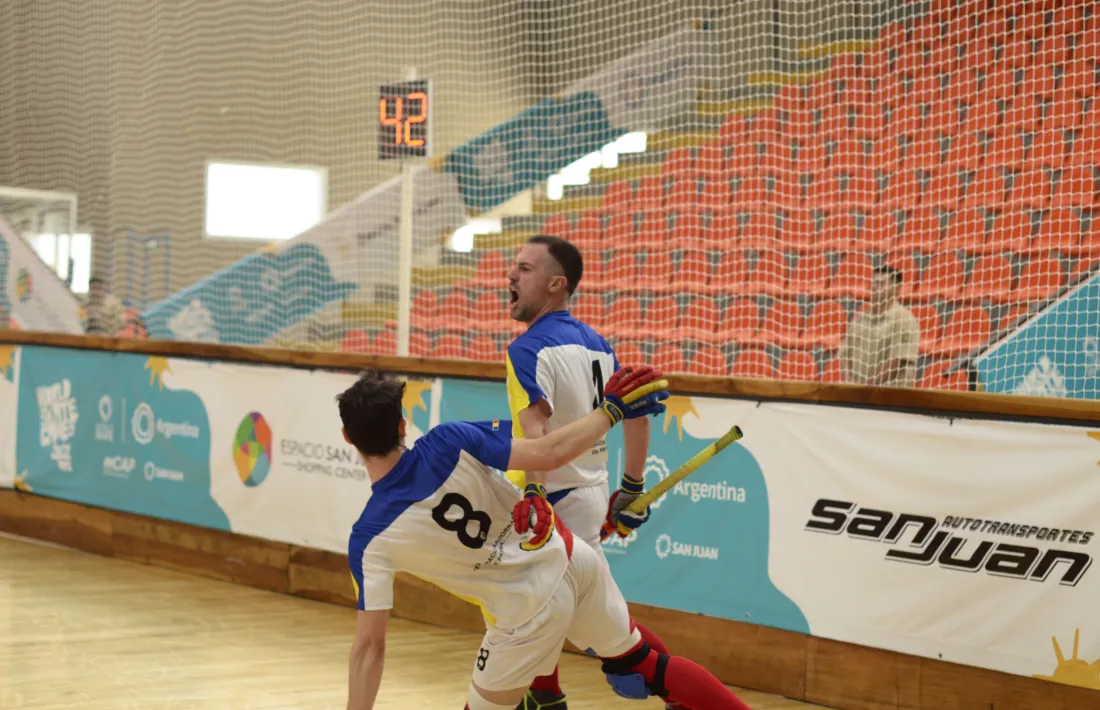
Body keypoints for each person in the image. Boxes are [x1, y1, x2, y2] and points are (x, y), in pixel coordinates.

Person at [339, 369, 751, 710]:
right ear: (401, 426)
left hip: (525, 615)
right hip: (572, 558)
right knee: (647, 666)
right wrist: (610, 411)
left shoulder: (369, 538)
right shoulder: (449, 439)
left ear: (347, 438)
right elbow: (550, 452)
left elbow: (369, 648)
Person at [504, 234, 674, 708]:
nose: (511, 275)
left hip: (556, 500)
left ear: (557, 284)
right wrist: (631, 486)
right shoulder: (599, 344)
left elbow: (535, 432)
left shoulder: (526, 350)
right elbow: (634, 413)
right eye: (513, 266)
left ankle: (681, 689)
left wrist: (535, 493)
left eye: (524, 268)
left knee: (613, 639)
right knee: (540, 612)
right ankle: (545, 693)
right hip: (589, 491)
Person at [839, 265, 921, 387]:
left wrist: (867, 387)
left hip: (890, 397)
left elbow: (897, 360)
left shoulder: (905, 320)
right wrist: (850, 384)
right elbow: (845, 354)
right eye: (874, 283)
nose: (875, 287)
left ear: (896, 288)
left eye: (881, 283)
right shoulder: (860, 318)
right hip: (856, 395)